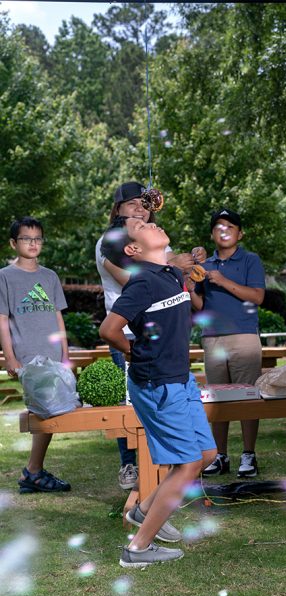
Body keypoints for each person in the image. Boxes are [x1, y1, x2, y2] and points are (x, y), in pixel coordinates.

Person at [99, 215, 216, 568]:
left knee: (206, 455)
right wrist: (135, 353)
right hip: (157, 383)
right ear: (134, 249)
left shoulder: (167, 273)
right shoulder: (142, 283)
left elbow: (185, 278)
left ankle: (144, 510)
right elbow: (109, 329)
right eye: (142, 227)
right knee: (188, 464)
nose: (151, 223)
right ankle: (138, 550)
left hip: (180, 379)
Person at [96, 181, 205, 490]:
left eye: (144, 205)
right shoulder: (111, 239)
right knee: (136, 410)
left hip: (164, 337)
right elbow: (136, 278)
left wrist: (191, 264)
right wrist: (174, 264)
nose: (140, 208)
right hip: (129, 334)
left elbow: (173, 277)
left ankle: (166, 480)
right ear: (117, 210)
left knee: (168, 418)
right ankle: (131, 467)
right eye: (133, 204)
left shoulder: (149, 234)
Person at [188, 209, 266, 478]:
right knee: (217, 399)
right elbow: (199, 307)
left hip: (244, 337)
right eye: (219, 227)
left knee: (247, 397)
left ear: (239, 233)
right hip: (212, 338)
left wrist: (223, 281)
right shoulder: (204, 265)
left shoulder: (250, 260)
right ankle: (219, 455)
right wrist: (189, 286)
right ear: (212, 234)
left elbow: (256, 297)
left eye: (230, 227)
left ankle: (249, 455)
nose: (224, 231)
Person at [0, 218, 72, 494]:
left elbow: (57, 316)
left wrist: (65, 353)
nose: (33, 243)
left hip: (53, 356)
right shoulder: (5, 276)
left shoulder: (50, 276)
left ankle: (33, 472)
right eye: (26, 238)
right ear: (13, 243)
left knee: (47, 411)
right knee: (45, 411)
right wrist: (10, 357)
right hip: (28, 358)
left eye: (38, 238)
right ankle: (32, 471)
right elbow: (2, 319)